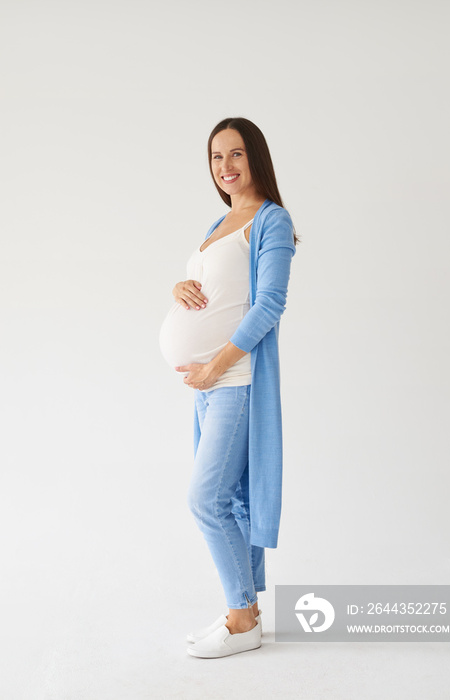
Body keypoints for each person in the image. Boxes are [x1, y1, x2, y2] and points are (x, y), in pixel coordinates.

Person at [159, 117, 297, 658]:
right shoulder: (221, 220)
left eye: (236, 154)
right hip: (209, 388)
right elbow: (213, 289)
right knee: (227, 500)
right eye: (216, 158)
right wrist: (179, 284)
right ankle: (246, 611)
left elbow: (269, 304)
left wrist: (215, 365)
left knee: (206, 499)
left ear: (255, 158)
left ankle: (243, 623)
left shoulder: (271, 220)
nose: (226, 167)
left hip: (235, 382)